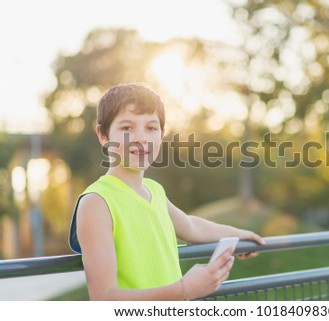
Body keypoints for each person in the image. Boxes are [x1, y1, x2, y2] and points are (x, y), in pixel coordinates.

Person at [68, 83, 264, 300]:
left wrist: (238, 234)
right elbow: (104, 298)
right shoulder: (96, 202)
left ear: (161, 134)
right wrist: (184, 290)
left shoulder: (154, 191)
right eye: (126, 128)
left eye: (151, 128)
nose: (141, 137)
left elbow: (190, 226)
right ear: (103, 135)